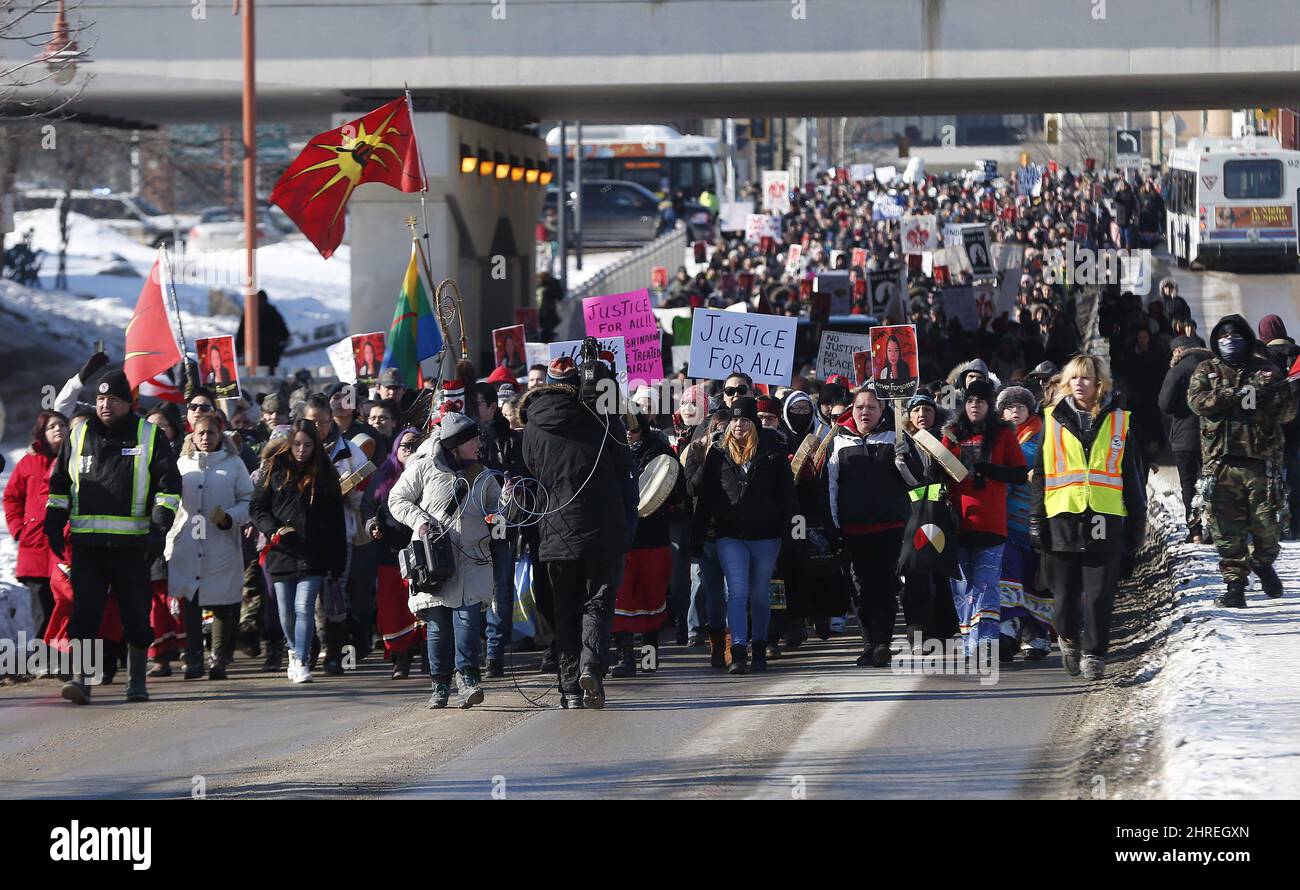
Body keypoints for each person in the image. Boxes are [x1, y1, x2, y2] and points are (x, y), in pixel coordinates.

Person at [45, 368, 182, 704]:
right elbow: (61, 484)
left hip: (132, 546)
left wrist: (158, 527)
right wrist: (53, 517)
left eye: (113, 399)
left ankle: (136, 681)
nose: (105, 405)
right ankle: (81, 680)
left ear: (127, 402)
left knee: (136, 614)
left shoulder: (149, 435)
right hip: (87, 546)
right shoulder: (78, 436)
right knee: (85, 614)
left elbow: (169, 488)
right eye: (101, 398)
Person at [520, 357, 636, 709]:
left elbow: (531, 475)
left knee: (565, 610)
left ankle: (570, 688)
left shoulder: (532, 426)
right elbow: (625, 473)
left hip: (554, 532)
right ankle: (591, 668)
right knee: (598, 603)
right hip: (602, 528)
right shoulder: (603, 417)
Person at [1031, 354, 1146, 680]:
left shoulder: (1120, 421)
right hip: (1061, 516)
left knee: (1099, 595)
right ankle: (1068, 637)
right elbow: (1040, 474)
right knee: (1064, 596)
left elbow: (1131, 475)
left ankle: (1095, 653)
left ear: (1100, 383)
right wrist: (1035, 519)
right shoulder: (1050, 420)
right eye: (1075, 378)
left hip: (1104, 516)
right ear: (1067, 383)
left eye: (1087, 378)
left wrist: (1138, 522)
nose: (1080, 383)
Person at [388, 412, 501, 709]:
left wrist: (505, 507)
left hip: (474, 560)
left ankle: (468, 679)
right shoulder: (423, 468)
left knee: (467, 620)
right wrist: (421, 521)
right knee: (437, 624)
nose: (479, 443)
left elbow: (499, 515)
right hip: (433, 560)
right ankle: (440, 684)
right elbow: (396, 500)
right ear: (455, 445)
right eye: (472, 439)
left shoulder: (484, 475)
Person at [1187, 315, 1296, 607]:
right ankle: (1235, 586)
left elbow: (1286, 413)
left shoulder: (1266, 370)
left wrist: (1272, 392)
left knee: (1268, 525)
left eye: (1235, 335)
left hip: (1260, 462)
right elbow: (1198, 402)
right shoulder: (1206, 370)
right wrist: (1234, 394)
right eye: (1223, 336)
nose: (1230, 341)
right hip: (1221, 464)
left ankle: (1262, 563)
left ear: (1247, 338)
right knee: (1226, 530)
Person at [690, 396, 797, 675]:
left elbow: (788, 497)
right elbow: (704, 498)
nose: (738, 425)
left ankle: (759, 647)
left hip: (766, 536)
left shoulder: (773, 452)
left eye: (744, 420)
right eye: (735, 420)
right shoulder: (717, 454)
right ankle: (738, 650)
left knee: (760, 593)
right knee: (737, 592)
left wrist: (794, 534)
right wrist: (697, 536)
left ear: (754, 424)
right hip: (730, 536)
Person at [249, 420, 347, 684]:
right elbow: (257, 508)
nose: (301, 450)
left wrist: (337, 563)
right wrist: (272, 530)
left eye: (307, 444)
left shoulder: (325, 474)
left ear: (315, 446)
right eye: (297, 444)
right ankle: (294, 651)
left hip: (313, 554)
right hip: (281, 551)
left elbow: (337, 522)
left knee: (304, 607)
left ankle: (302, 661)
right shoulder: (273, 469)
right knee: (286, 612)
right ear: (289, 444)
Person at [164, 412, 255, 680]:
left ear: (220, 435)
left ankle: (218, 658)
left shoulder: (234, 464)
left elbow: (248, 500)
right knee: (191, 600)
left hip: (221, 542)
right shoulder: (182, 464)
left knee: (221, 601)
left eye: (211, 433)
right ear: (192, 434)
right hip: (189, 540)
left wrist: (230, 517)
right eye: (200, 432)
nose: (205, 438)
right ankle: (193, 657)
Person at [941, 377, 1027, 657]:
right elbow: (938, 468)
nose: (974, 405)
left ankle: (985, 641)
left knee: (987, 584)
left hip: (991, 523)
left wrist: (990, 470)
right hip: (958, 523)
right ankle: (969, 641)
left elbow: (1018, 474)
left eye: (980, 401)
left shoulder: (1002, 434)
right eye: (969, 401)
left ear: (990, 405)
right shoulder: (952, 433)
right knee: (963, 586)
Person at [827, 386, 909, 667]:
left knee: (884, 587)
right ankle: (869, 642)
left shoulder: (895, 436)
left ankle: (883, 642)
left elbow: (915, 479)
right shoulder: (838, 441)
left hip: (889, 527)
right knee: (860, 590)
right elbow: (831, 487)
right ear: (853, 409)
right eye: (860, 407)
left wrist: (905, 456)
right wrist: (835, 525)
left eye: (872, 407)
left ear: (882, 410)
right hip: (853, 529)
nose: (865, 412)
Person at [609, 411, 686, 678]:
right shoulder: (609, 452)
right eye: (625, 431)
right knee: (622, 599)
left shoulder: (661, 453)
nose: (629, 435)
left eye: (633, 430)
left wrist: (663, 492)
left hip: (653, 538)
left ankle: (650, 656)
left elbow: (679, 493)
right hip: (621, 538)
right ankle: (625, 657)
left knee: (652, 598)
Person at [995, 385, 1053, 661]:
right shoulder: (996, 437)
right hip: (1003, 521)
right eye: (1009, 407)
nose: (1015, 412)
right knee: (1008, 576)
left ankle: (1038, 634)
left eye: (1020, 407)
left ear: (1030, 410)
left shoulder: (1041, 436)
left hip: (1035, 519)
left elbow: (1028, 461)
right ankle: (1007, 629)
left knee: (1035, 580)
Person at [4, 410, 69, 640]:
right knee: (41, 605)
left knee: (64, 601)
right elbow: (11, 497)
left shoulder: (75, 459)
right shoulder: (28, 462)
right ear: (42, 432)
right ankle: (44, 658)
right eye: (52, 426)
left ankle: (66, 654)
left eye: (62, 425)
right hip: (34, 545)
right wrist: (18, 529)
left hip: (65, 544)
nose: (58, 429)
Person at [366, 427, 424, 679]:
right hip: (389, 552)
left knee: (421, 605)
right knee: (391, 607)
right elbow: (369, 507)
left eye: (415, 446)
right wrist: (372, 526)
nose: (409, 451)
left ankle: (429, 656)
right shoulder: (383, 475)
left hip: (419, 550)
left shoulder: (427, 472)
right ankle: (400, 658)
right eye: (405, 446)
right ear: (396, 448)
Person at [1159, 336, 1215, 543]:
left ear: (1177, 351)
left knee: (1190, 485)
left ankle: (1196, 531)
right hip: (1214, 436)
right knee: (1213, 483)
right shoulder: (1214, 367)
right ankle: (1217, 529)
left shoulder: (1178, 370)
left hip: (1186, 435)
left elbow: (1164, 404)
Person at [235, 289, 291, 373]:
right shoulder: (270, 313)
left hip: (265, 354)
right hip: (265, 355)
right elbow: (241, 335)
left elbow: (284, 334)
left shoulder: (271, 313)